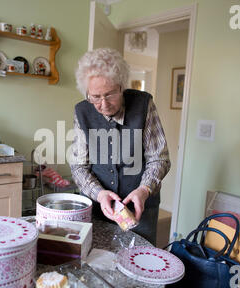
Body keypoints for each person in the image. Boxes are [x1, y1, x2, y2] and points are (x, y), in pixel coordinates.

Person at [69, 48, 171, 246]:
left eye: (110, 94)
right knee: (99, 259)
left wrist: (144, 189)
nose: (104, 104)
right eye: (95, 97)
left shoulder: (144, 104)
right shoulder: (82, 111)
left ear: (122, 86)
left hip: (140, 208)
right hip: (98, 208)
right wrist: (99, 193)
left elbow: (159, 158)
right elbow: (79, 165)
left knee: (140, 260)